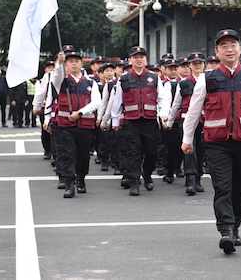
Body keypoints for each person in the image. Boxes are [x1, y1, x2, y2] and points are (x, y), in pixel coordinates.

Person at [180, 29, 241, 254]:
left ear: (240, 49)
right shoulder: (208, 78)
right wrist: (187, 138)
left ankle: (236, 224)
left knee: (239, 187)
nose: (229, 49)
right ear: (217, 52)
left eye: (233, 44)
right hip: (217, 143)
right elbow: (194, 110)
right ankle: (226, 230)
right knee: (222, 186)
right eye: (224, 46)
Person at [111, 47, 171, 196]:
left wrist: (163, 113)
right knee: (133, 153)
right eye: (135, 57)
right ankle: (134, 181)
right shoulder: (124, 79)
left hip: (150, 121)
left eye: (142, 57)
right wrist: (115, 120)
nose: (139, 60)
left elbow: (163, 98)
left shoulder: (154, 78)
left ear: (145, 60)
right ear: (130, 60)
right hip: (131, 122)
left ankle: (147, 174)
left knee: (151, 152)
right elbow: (117, 101)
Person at [50, 46, 102, 198]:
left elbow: (96, 102)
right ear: (67, 65)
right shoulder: (62, 82)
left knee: (83, 154)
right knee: (68, 154)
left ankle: (81, 178)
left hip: (84, 125)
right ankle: (69, 183)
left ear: (81, 64)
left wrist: (80, 113)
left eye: (77, 61)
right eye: (70, 61)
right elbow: (56, 77)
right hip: (66, 126)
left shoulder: (90, 83)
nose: (74, 64)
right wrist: (58, 64)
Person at [166, 52, 207, 195]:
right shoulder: (183, 83)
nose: (197, 66)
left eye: (200, 63)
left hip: (204, 122)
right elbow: (176, 104)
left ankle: (198, 179)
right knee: (190, 150)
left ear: (203, 65)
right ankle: (190, 179)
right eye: (194, 63)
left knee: (201, 151)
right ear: (190, 65)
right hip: (187, 122)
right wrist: (170, 121)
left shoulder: (209, 80)